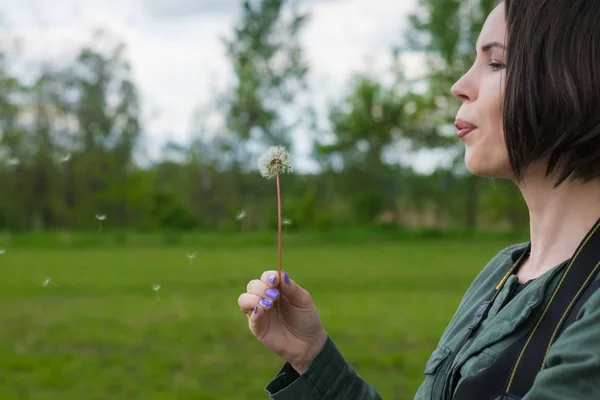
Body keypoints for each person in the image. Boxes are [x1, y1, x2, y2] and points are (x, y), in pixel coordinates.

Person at [237, 0, 600, 398]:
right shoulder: (500, 274)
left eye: (496, 63)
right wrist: (312, 358)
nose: (460, 86)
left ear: (576, 78)